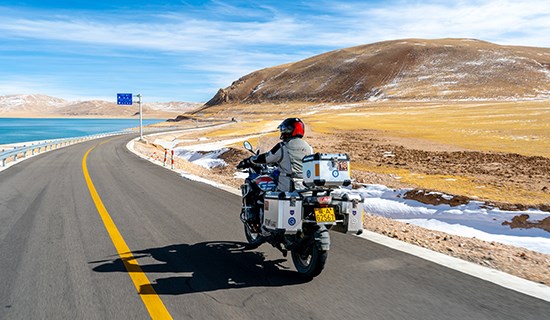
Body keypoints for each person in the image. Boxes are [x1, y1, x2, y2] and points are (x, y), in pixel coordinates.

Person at [238, 118, 313, 192]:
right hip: (305, 187)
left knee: (260, 189)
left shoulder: (283, 146)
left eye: (284, 129)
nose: (282, 131)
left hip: (287, 186)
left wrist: (249, 160)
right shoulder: (309, 147)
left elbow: (267, 158)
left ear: (290, 130)